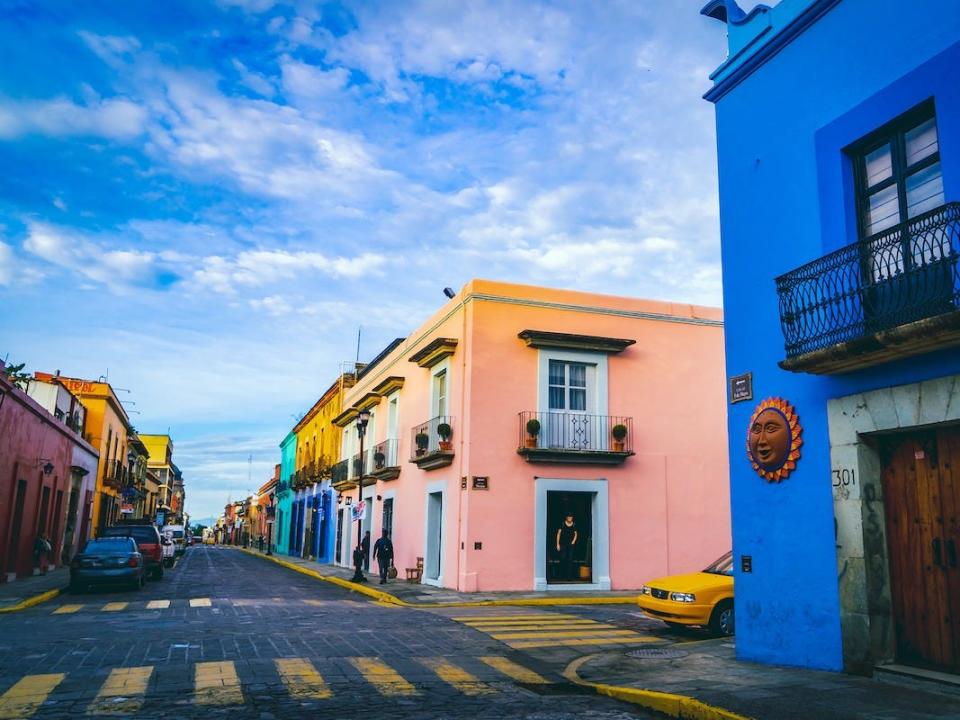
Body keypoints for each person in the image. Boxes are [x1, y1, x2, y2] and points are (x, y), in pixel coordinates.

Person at [555, 514, 578, 581]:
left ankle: (569, 577)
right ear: (566, 518)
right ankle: (561, 575)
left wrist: (573, 541)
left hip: (570, 544)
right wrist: (557, 544)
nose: (570, 518)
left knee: (570, 559)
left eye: (571, 517)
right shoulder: (562, 524)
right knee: (562, 558)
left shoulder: (574, 524)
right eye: (569, 517)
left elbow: (576, 534)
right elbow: (558, 533)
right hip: (563, 544)